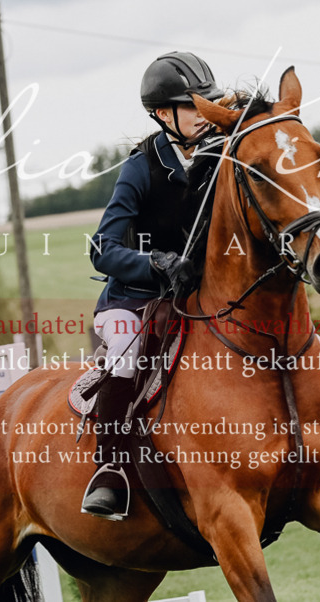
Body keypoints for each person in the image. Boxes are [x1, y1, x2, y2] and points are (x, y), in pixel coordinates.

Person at [82, 51, 225, 520]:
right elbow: (102, 250)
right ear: (164, 114)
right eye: (192, 105)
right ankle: (110, 469)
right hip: (133, 301)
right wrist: (157, 264)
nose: (204, 113)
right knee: (125, 358)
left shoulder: (220, 156)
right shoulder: (141, 167)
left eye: (208, 103)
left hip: (194, 300)